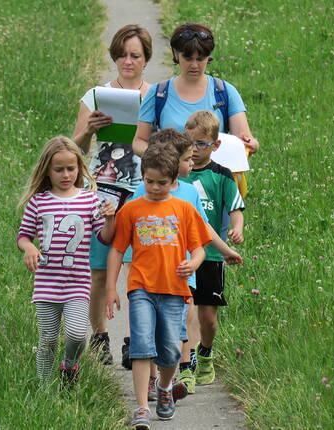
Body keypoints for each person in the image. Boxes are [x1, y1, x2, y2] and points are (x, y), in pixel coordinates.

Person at [122, 129, 242, 397]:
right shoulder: (144, 188)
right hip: (149, 271)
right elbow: (129, 225)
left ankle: (181, 371)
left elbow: (205, 229)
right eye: (187, 159)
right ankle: (155, 378)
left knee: (179, 325)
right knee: (152, 328)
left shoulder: (188, 193)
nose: (192, 162)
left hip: (181, 271)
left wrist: (224, 251)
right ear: (172, 162)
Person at [105, 144, 211, 429]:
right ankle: (141, 406)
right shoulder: (132, 210)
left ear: (174, 180)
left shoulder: (184, 209)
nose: (154, 187)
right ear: (142, 177)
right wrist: (112, 288)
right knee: (141, 345)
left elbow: (199, 247)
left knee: (170, 351)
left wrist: (194, 264)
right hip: (141, 287)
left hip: (175, 291)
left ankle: (164, 388)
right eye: (149, 181)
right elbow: (117, 249)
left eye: (161, 183)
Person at [72, 24, 154, 364]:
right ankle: (100, 335)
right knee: (99, 268)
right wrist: (89, 129)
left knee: (139, 267)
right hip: (101, 187)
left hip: (142, 186)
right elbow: (73, 150)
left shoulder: (154, 94)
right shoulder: (95, 95)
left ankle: (132, 339)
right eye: (122, 54)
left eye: (135, 55)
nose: (127, 61)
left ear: (146, 58)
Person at [16, 136, 116, 384]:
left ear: (80, 169)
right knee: (48, 339)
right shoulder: (38, 202)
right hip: (46, 284)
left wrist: (111, 218)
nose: (65, 174)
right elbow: (24, 236)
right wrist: (29, 248)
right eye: (58, 169)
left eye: (71, 168)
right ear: (47, 171)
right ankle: (44, 388)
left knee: (77, 335)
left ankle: (69, 366)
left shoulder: (89, 199)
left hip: (77, 284)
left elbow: (104, 237)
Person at [131, 22, 260, 196]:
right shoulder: (158, 93)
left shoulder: (225, 91)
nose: (194, 65)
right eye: (188, 58)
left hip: (215, 186)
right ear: (176, 55)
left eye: (200, 59)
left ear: (209, 57)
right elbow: (139, 141)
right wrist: (164, 159)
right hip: (170, 185)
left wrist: (250, 144)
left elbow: (242, 138)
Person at [182, 111, 245, 386]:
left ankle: (205, 353)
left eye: (202, 144)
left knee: (208, 318)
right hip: (182, 254)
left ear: (215, 145)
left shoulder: (222, 175)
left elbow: (236, 207)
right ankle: (187, 365)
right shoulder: (177, 172)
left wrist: (237, 228)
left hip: (212, 254)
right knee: (187, 311)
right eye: (190, 142)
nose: (195, 150)